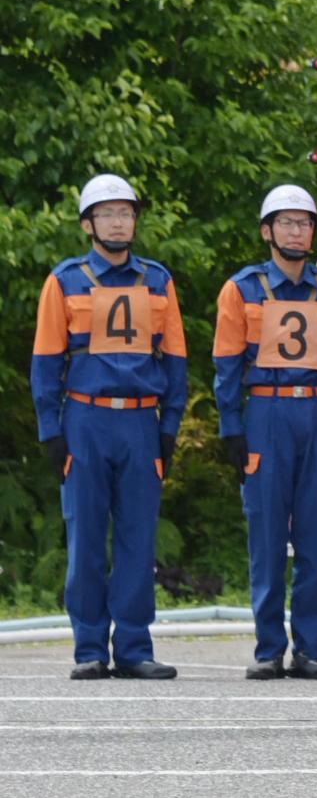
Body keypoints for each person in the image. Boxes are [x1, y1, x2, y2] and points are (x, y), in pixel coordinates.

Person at [30, 174, 187, 681]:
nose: (119, 222)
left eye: (127, 213)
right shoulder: (65, 280)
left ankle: (136, 647)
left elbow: (177, 360)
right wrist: (51, 431)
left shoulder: (158, 281)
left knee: (140, 541)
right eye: (108, 213)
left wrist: (171, 427)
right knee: (87, 539)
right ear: (88, 223)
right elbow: (45, 363)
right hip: (86, 420)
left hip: (142, 420)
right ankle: (90, 648)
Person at [215, 185, 317, 681]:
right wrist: (232, 429)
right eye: (286, 223)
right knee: (266, 536)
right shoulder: (242, 289)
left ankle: (310, 649)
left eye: (304, 223)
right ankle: (268, 649)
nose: (295, 231)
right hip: (265, 416)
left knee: (314, 536)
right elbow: (226, 366)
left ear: (314, 233)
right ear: (267, 231)